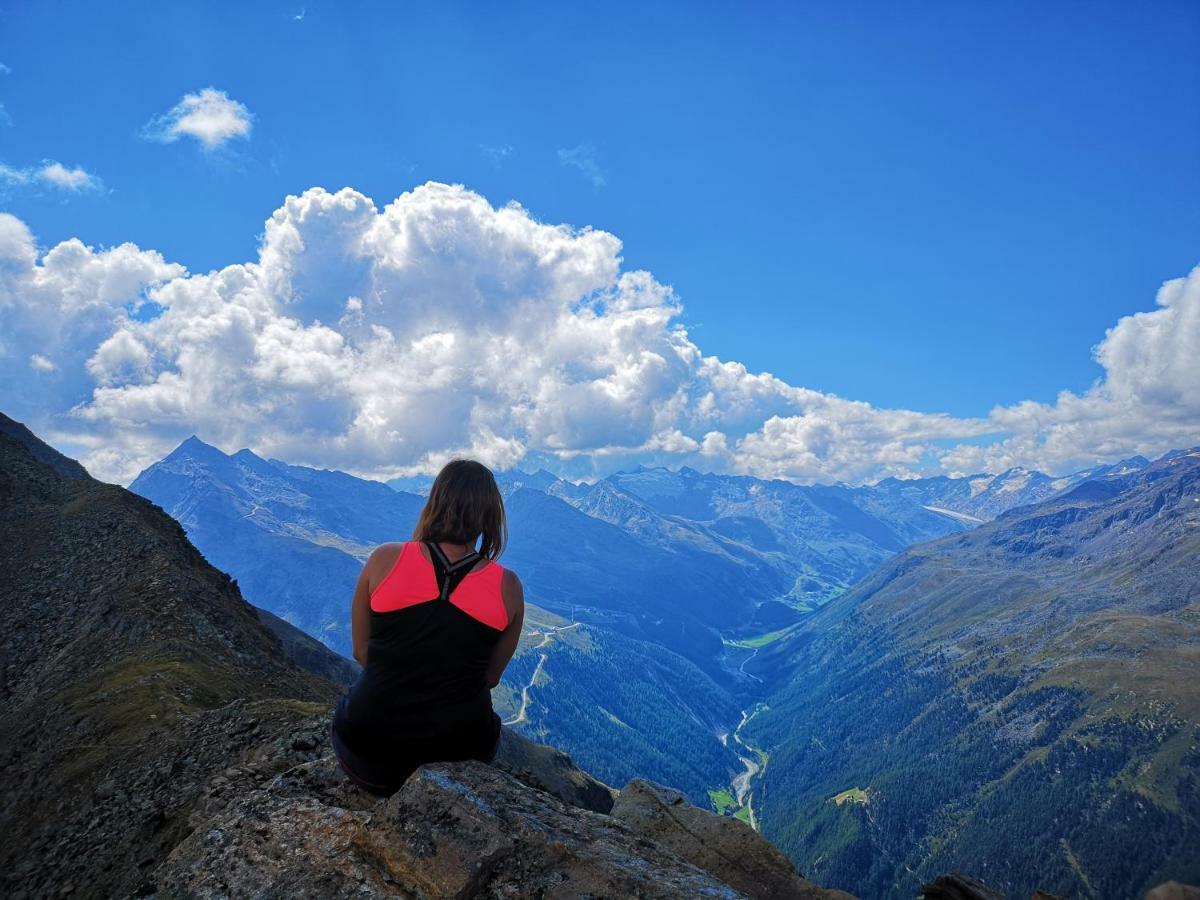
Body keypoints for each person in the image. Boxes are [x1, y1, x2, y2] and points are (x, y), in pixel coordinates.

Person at [329, 459, 525, 795]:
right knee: (489, 728)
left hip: (368, 750)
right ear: (490, 517)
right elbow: (490, 678)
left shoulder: (383, 560)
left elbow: (362, 652)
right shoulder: (508, 586)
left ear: (434, 503)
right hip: (459, 749)